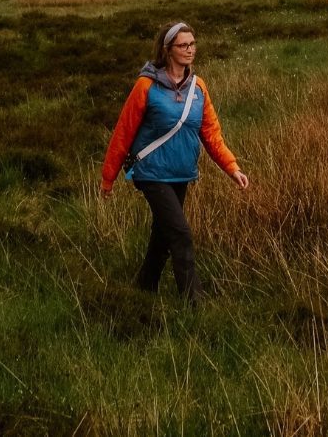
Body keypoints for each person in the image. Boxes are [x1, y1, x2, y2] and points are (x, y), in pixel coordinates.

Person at [100, 21, 249, 304]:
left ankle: (144, 288)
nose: (190, 50)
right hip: (151, 173)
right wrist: (108, 178)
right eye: (183, 45)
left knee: (163, 234)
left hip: (181, 173)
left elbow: (211, 135)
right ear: (168, 50)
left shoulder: (198, 88)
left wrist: (233, 168)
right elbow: (123, 132)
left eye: (192, 44)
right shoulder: (146, 86)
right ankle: (194, 302)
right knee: (180, 233)